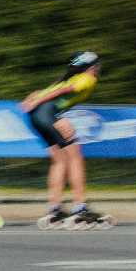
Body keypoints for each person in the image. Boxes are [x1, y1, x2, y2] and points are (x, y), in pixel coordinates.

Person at [19, 51, 110, 228]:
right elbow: (63, 90)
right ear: (92, 67)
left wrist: (33, 99)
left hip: (37, 116)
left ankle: (54, 208)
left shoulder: (69, 77)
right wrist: (36, 102)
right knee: (75, 157)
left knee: (59, 161)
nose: (99, 68)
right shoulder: (88, 78)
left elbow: (47, 90)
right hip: (47, 112)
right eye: (97, 65)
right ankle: (80, 207)